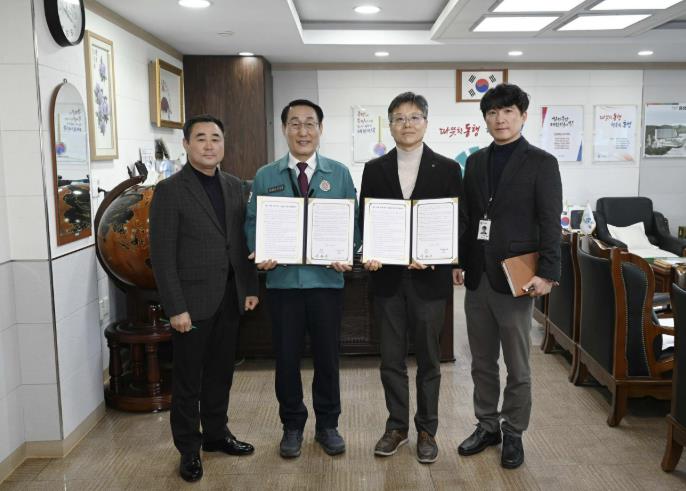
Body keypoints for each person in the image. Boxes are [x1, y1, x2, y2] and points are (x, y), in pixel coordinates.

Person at [454, 83, 562, 469]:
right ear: (485, 119)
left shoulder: (542, 162)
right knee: (481, 360)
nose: (500, 119)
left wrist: (548, 273)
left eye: (508, 112)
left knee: (517, 363)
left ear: (523, 116)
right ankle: (487, 425)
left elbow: (550, 222)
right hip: (478, 276)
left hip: (517, 278)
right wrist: (459, 261)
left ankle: (513, 430)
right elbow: (468, 217)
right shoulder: (476, 161)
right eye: (492, 113)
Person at [245, 99, 360, 459]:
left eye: (310, 123)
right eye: (295, 123)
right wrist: (259, 250)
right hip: (283, 285)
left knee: (328, 359)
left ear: (320, 129)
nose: (303, 131)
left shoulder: (339, 174)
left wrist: (347, 251)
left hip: (326, 283)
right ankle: (292, 425)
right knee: (286, 359)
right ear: (284, 129)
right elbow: (253, 222)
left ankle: (328, 425)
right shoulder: (266, 176)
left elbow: (353, 222)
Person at [149, 114, 259, 483]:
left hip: (229, 297)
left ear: (223, 144)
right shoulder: (170, 191)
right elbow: (162, 256)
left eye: (216, 138)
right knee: (188, 381)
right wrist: (175, 307)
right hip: (191, 303)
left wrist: (250, 288)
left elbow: (240, 243)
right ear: (186, 144)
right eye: (200, 138)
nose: (209, 145)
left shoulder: (234, 185)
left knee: (221, 374)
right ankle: (188, 449)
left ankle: (216, 434)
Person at [359, 92, 463, 464]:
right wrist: (369, 251)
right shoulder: (374, 169)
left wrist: (437, 256)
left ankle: (427, 430)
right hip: (387, 280)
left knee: (430, 360)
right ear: (390, 125)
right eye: (399, 118)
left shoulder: (448, 169)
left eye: (414, 117)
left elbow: (457, 222)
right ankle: (397, 427)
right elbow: (366, 219)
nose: (407, 124)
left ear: (426, 123)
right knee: (391, 359)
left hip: (429, 281)